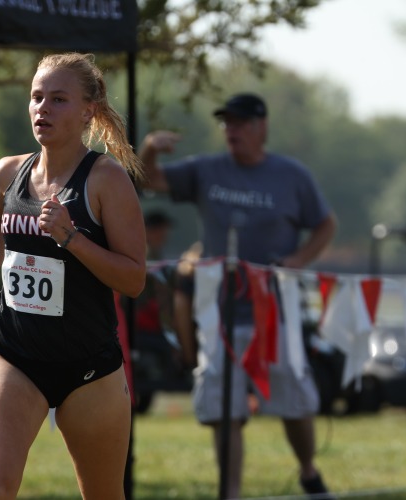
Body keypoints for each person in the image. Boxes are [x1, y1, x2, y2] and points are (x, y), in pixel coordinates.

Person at [0, 52, 147, 500]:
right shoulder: (8, 171)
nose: (42, 109)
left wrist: (72, 239)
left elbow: (134, 280)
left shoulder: (106, 179)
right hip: (14, 353)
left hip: (88, 367)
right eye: (36, 97)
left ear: (88, 110)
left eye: (58, 99)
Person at [139, 92, 337, 499]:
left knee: (294, 402)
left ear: (262, 127)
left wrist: (298, 259)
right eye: (227, 123)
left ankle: (308, 472)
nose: (232, 130)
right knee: (224, 408)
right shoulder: (206, 169)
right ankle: (229, 492)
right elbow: (146, 179)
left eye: (241, 123)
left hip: (274, 312)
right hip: (219, 314)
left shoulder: (291, 175)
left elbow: (326, 224)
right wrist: (149, 151)